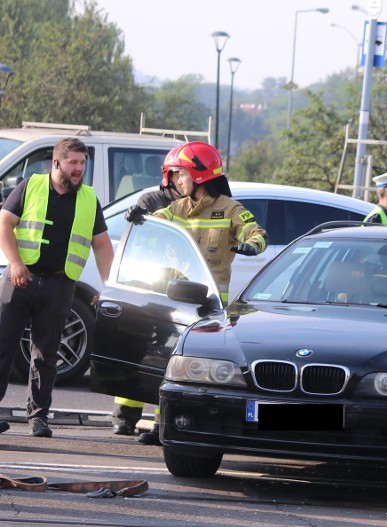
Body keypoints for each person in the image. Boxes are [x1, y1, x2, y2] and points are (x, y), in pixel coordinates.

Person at [136, 140, 268, 445]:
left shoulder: (229, 209)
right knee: (168, 364)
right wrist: (138, 217)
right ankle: (162, 426)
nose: (174, 181)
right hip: (175, 302)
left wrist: (251, 246)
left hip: (209, 308)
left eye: (179, 174)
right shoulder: (177, 208)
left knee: (199, 370)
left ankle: (198, 426)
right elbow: (152, 227)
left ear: (197, 175)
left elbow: (257, 233)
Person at [0, 138, 114, 438]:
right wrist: (15, 263)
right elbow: (4, 222)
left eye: (82, 163)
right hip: (19, 280)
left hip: (59, 286)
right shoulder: (31, 186)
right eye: (73, 163)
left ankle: (38, 418)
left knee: (46, 355)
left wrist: (111, 287)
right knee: (2, 347)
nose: (79, 169)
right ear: (57, 163)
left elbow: (102, 246)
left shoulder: (89, 198)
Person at [111, 148, 182, 437]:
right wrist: (138, 215)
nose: (185, 181)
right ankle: (124, 417)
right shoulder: (152, 200)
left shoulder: (197, 204)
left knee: (166, 354)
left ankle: (159, 420)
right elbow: (142, 234)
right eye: (180, 175)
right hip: (147, 282)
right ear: (169, 177)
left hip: (178, 287)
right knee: (135, 349)